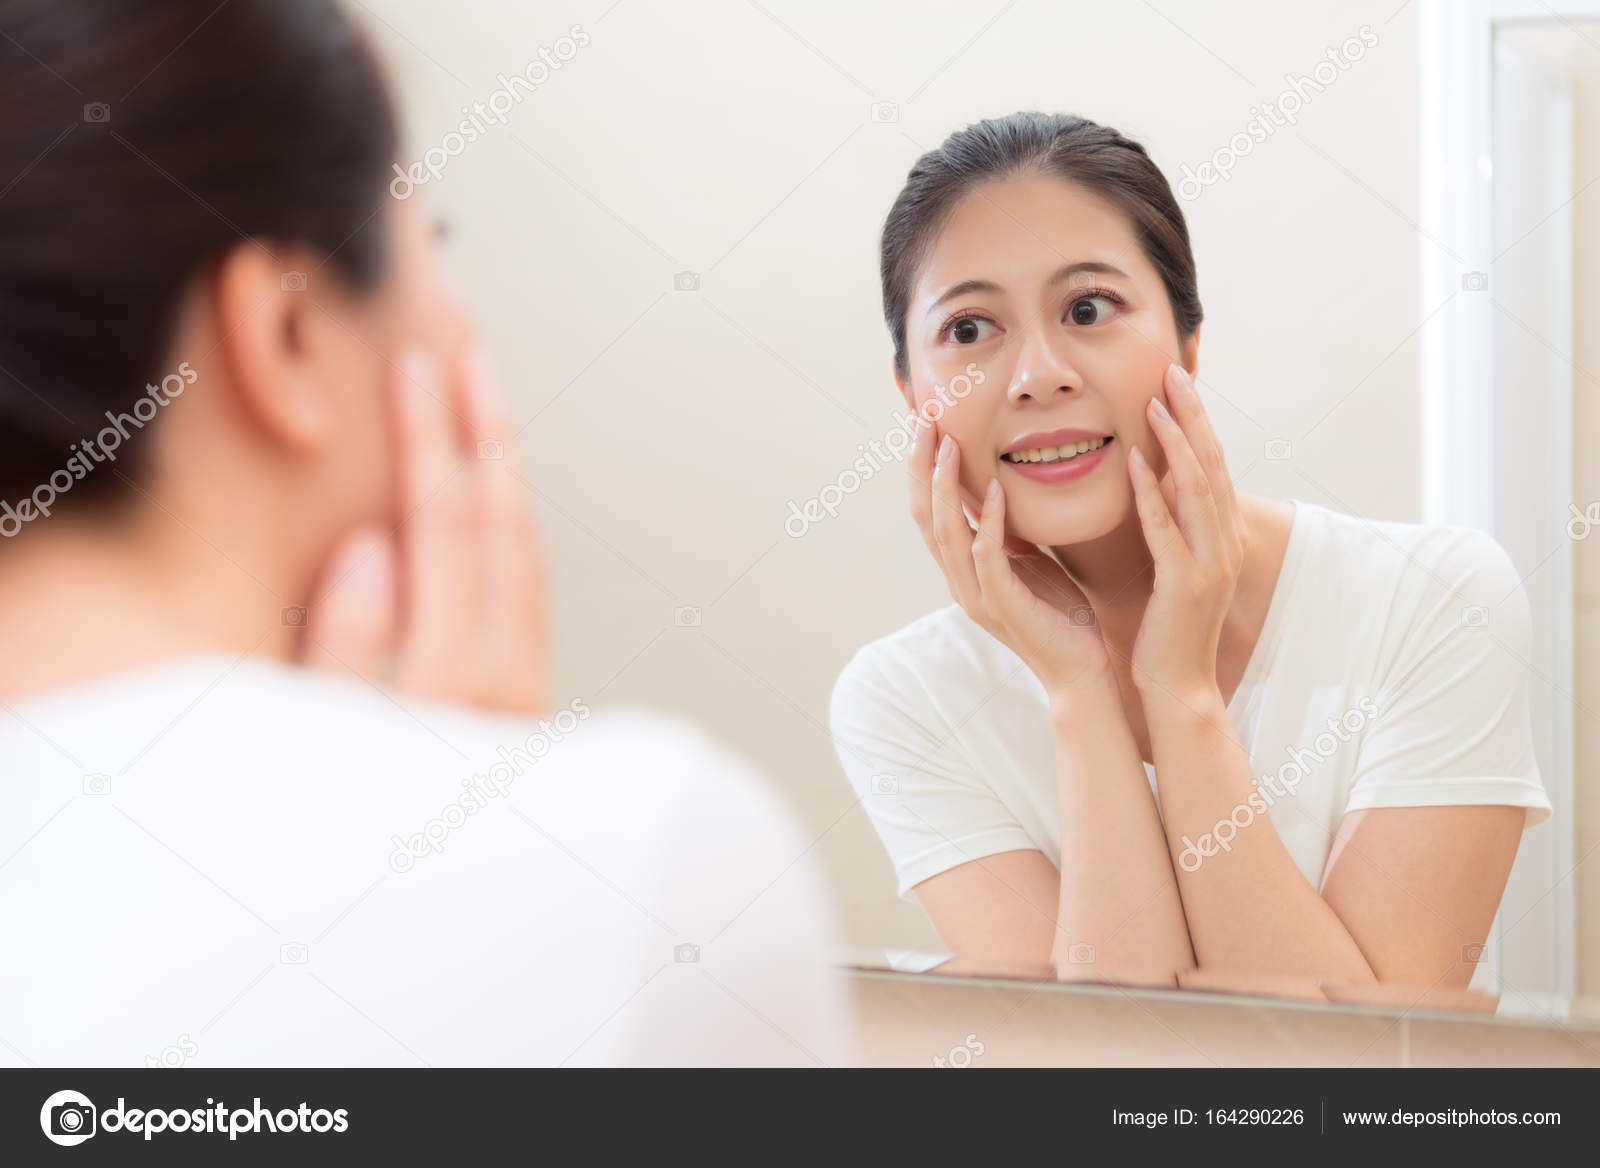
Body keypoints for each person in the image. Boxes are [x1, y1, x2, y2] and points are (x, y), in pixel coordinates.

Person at [0, 0, 848, 1067]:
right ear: (288, 332)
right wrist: (481, 871)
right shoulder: (646, 856)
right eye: (429, 245)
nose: (460, 321)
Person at [830, 111, 1550, 992]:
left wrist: (1181, 693)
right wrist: (1080, 691)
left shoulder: (1437, 599)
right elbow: (1099, 1068)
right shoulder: (903, 701)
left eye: (1088, 308)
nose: (1037, 374)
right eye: (971, 330)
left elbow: (1361, 1073)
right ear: (914, 394)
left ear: (1189, 344)